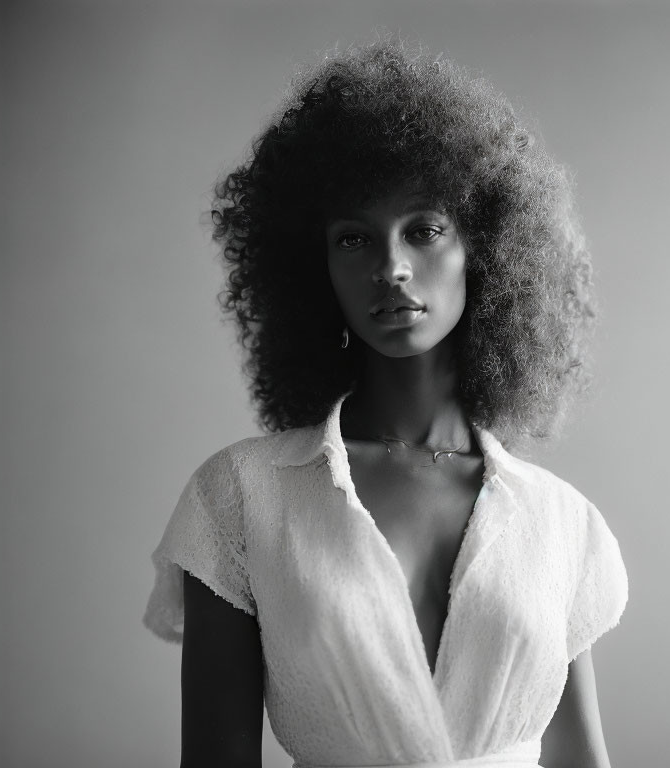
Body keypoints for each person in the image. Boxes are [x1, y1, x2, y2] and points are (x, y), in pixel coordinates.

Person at [143, 39, 628, 768]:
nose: (391, 267)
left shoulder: (559, 523)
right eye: (354, 239)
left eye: (425, 229)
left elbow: (580, 757)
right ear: (316, 272)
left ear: (487, 250)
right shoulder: (241, 498)